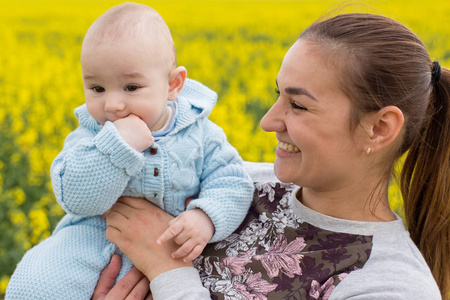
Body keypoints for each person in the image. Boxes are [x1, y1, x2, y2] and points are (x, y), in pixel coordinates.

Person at [94, 12, 450, 300]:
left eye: (297, 105)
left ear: (380, 128)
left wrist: (167, 271)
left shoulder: (390, 286)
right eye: (276, 94)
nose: (267, 121)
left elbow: (161, 266)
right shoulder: (230, 187)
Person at [5, 3, 254, 299]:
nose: (112, 105)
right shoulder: (91, 134)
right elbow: (75, 197)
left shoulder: (201, 133)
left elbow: (233, 182)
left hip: (171, 252)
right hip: (92, 242)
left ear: (173, 85)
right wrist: (116, 146)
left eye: (131, 87)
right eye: (97, 89)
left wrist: (206, 217)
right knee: (32, 288)